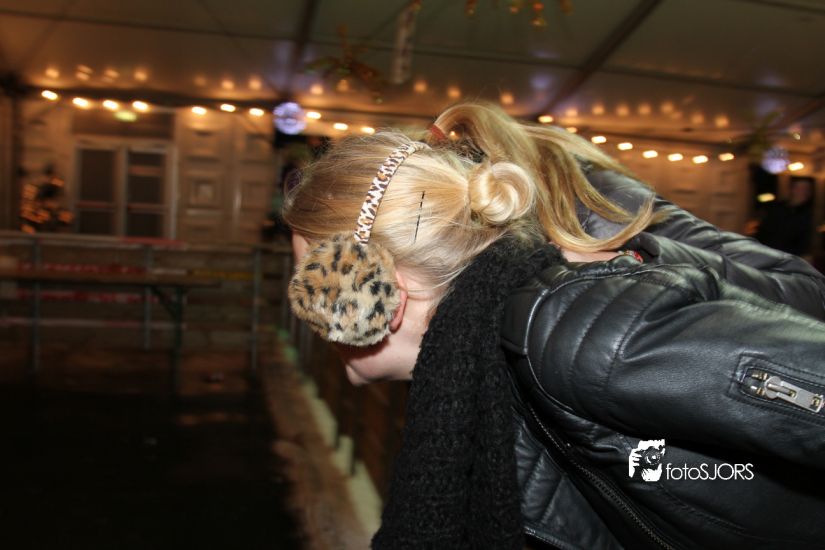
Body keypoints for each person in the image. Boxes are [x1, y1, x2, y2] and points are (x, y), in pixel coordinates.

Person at [283, 102, 825, 549]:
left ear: (380, 295)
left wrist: (628, 255)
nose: (315, 319)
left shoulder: (570, 333)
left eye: (319, 289)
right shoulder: (485, 361)